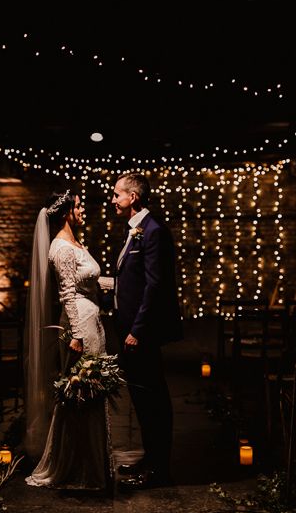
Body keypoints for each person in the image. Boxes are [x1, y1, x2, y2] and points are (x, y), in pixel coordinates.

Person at [24, 190, 113, 490]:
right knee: (78, 392)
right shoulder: (61, 248)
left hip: (92, 322)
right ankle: (75, 465)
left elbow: (86, 279)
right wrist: (76, 334)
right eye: (78, 205)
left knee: (93, 391)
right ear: (65, 212)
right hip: (79, 327)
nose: (82, 209)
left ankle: (95, 461)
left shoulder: (76, 242)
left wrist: (120, 281)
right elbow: (67, 293)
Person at [110, 172, 183, 489]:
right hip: (129, 327)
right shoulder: (136, 230)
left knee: (152, 397)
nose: (113, 200)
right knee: (141, 397)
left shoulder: (153, 232)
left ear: (133, 198)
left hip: (142, 331)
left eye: (117, 194)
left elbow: (155, 286)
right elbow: (134, 280)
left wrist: (137, 329)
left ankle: (159, 469)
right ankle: (150, 458)